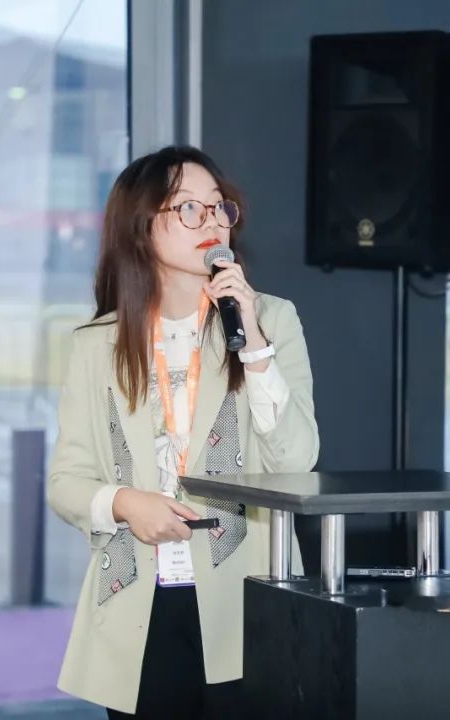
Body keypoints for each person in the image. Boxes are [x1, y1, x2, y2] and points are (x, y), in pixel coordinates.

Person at [48, 146, 319, 718]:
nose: (212, 220)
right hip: (138, 607)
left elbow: (297, 459)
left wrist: (255, 343)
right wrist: (124, 503)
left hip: (245, 601)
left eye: (219, 207)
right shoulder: (96, 345)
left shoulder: (272, 319)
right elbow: (67, 482)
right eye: (188, 208)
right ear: (141, 227)